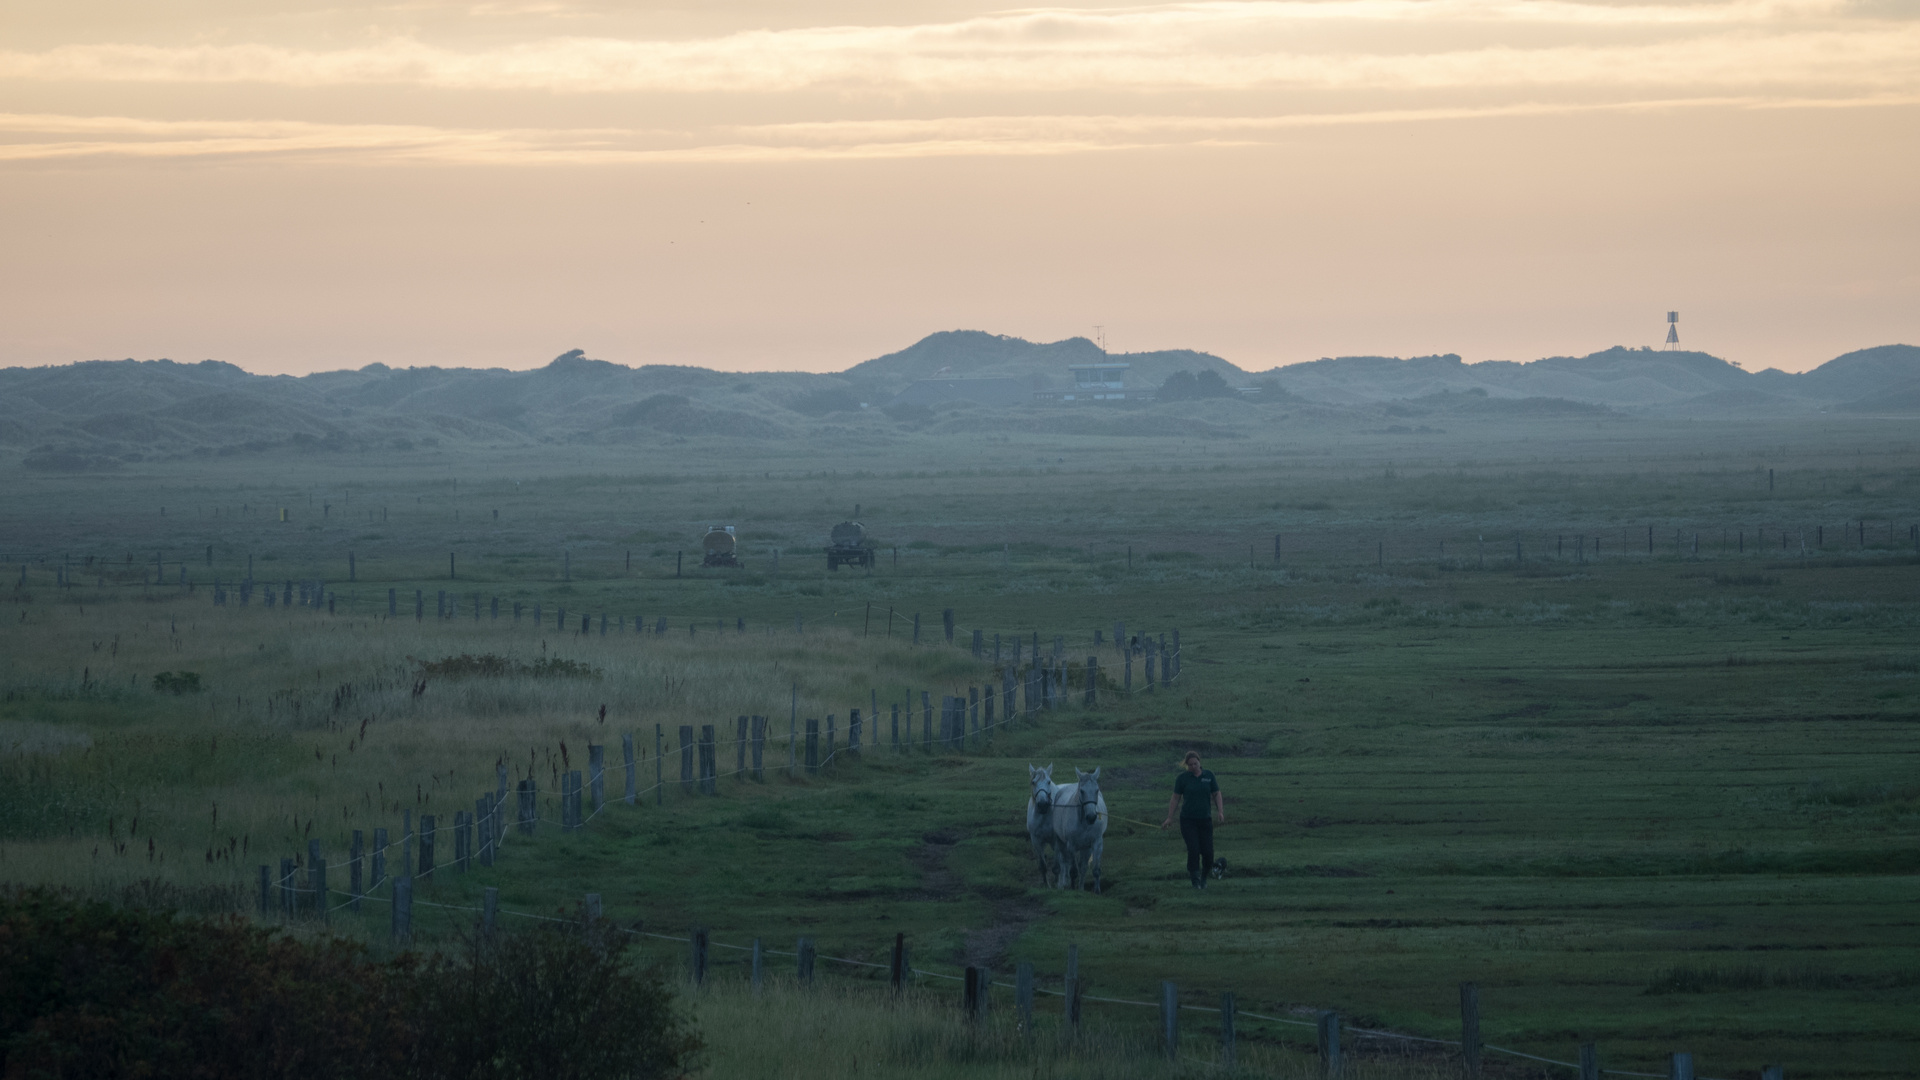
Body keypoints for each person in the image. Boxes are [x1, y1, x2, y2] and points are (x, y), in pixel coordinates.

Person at [1159, 750, 1224, 889]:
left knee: (1208, 852)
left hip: (1205, 819)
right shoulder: (1182, 779)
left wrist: (1220, 811)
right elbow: (1175, 798)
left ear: (1200, 762)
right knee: (1193, 849)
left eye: (1195, 764)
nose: (1193, 767)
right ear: (1187, 765)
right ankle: (1195, 880)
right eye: (1190, 765)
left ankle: (1204, 878)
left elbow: (1216, 793)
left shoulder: (1209, 775)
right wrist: (1170, 818)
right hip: (1188, 820)